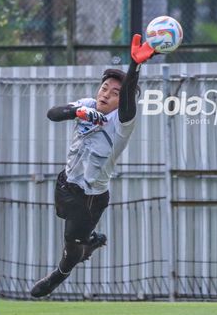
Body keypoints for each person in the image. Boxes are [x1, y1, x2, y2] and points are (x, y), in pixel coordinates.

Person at [30, 34, 156, 298]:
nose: (106, 94)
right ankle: (89, 241)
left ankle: (58, 275)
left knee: (70, 246)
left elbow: (129, 101)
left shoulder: (122, 124)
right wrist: (77, 112)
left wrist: (135, 66)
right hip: (65, 183)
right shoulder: (87, 105)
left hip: (90, 198)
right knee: (70, 228)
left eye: (115, 92)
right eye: (104, 88)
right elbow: (52, 114)